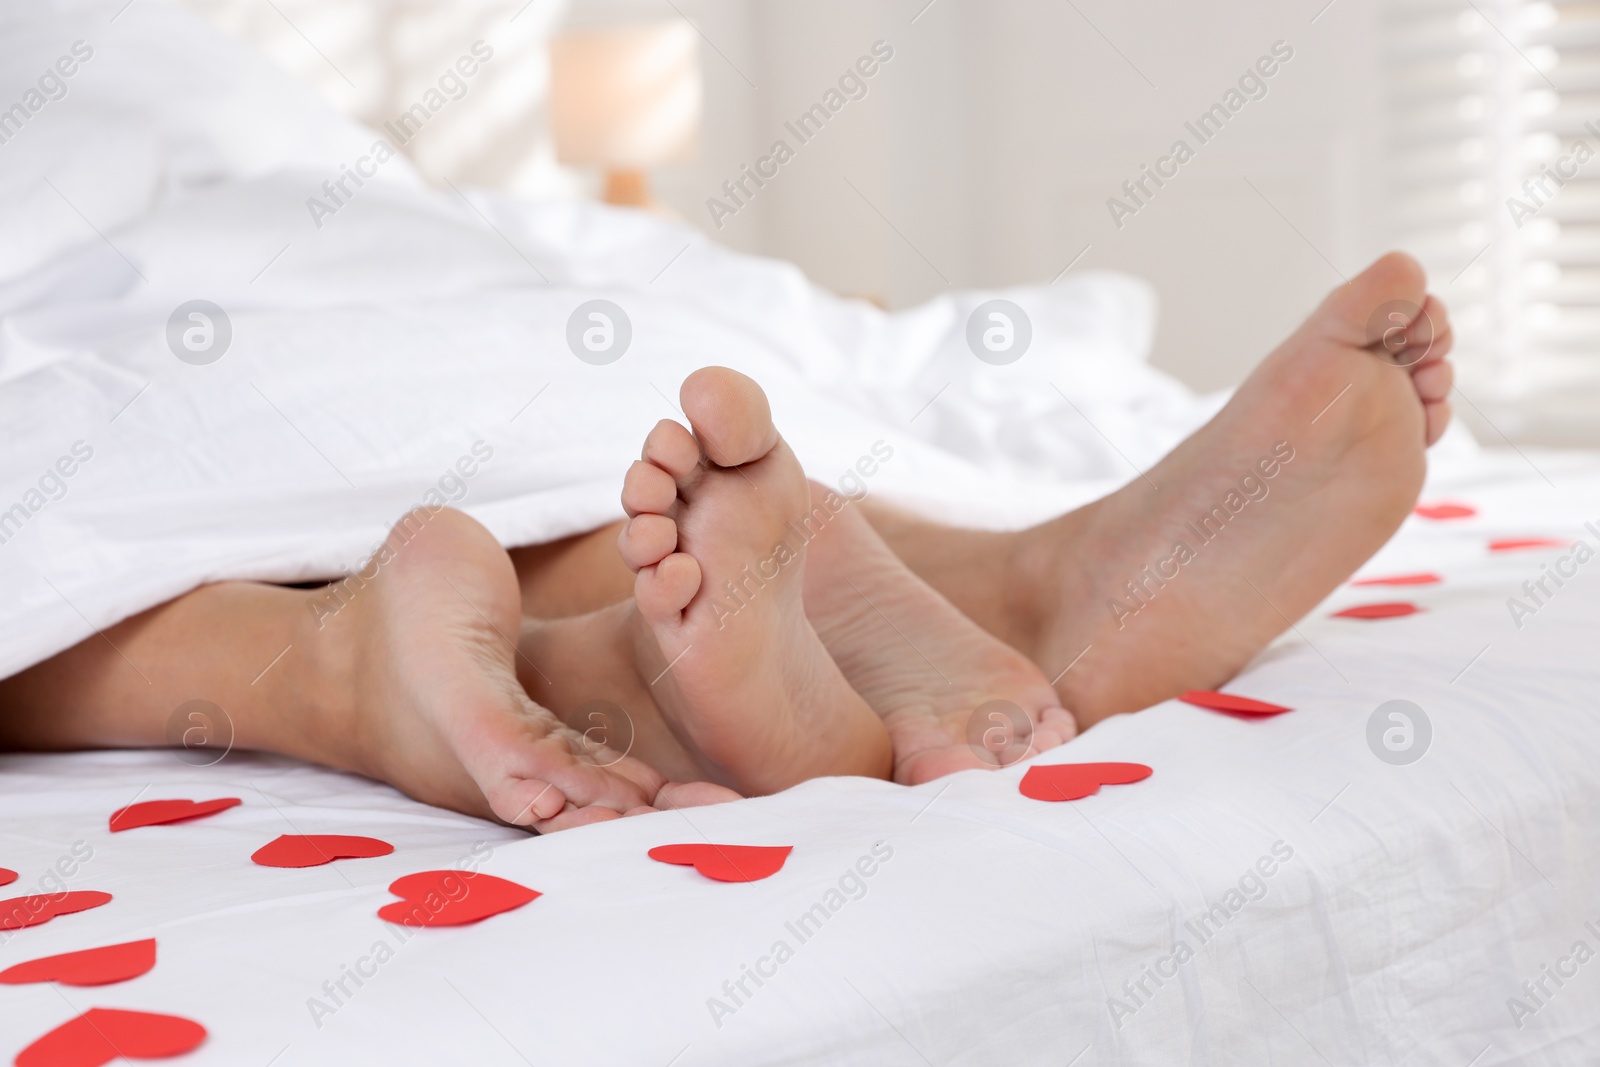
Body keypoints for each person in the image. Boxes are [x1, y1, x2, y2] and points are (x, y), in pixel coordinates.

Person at [0, 252, 1454, 833]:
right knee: (544, 426)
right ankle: (592, 657)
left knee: (88, 489)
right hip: (275, 303)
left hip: (162, 323)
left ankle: (381, 661)